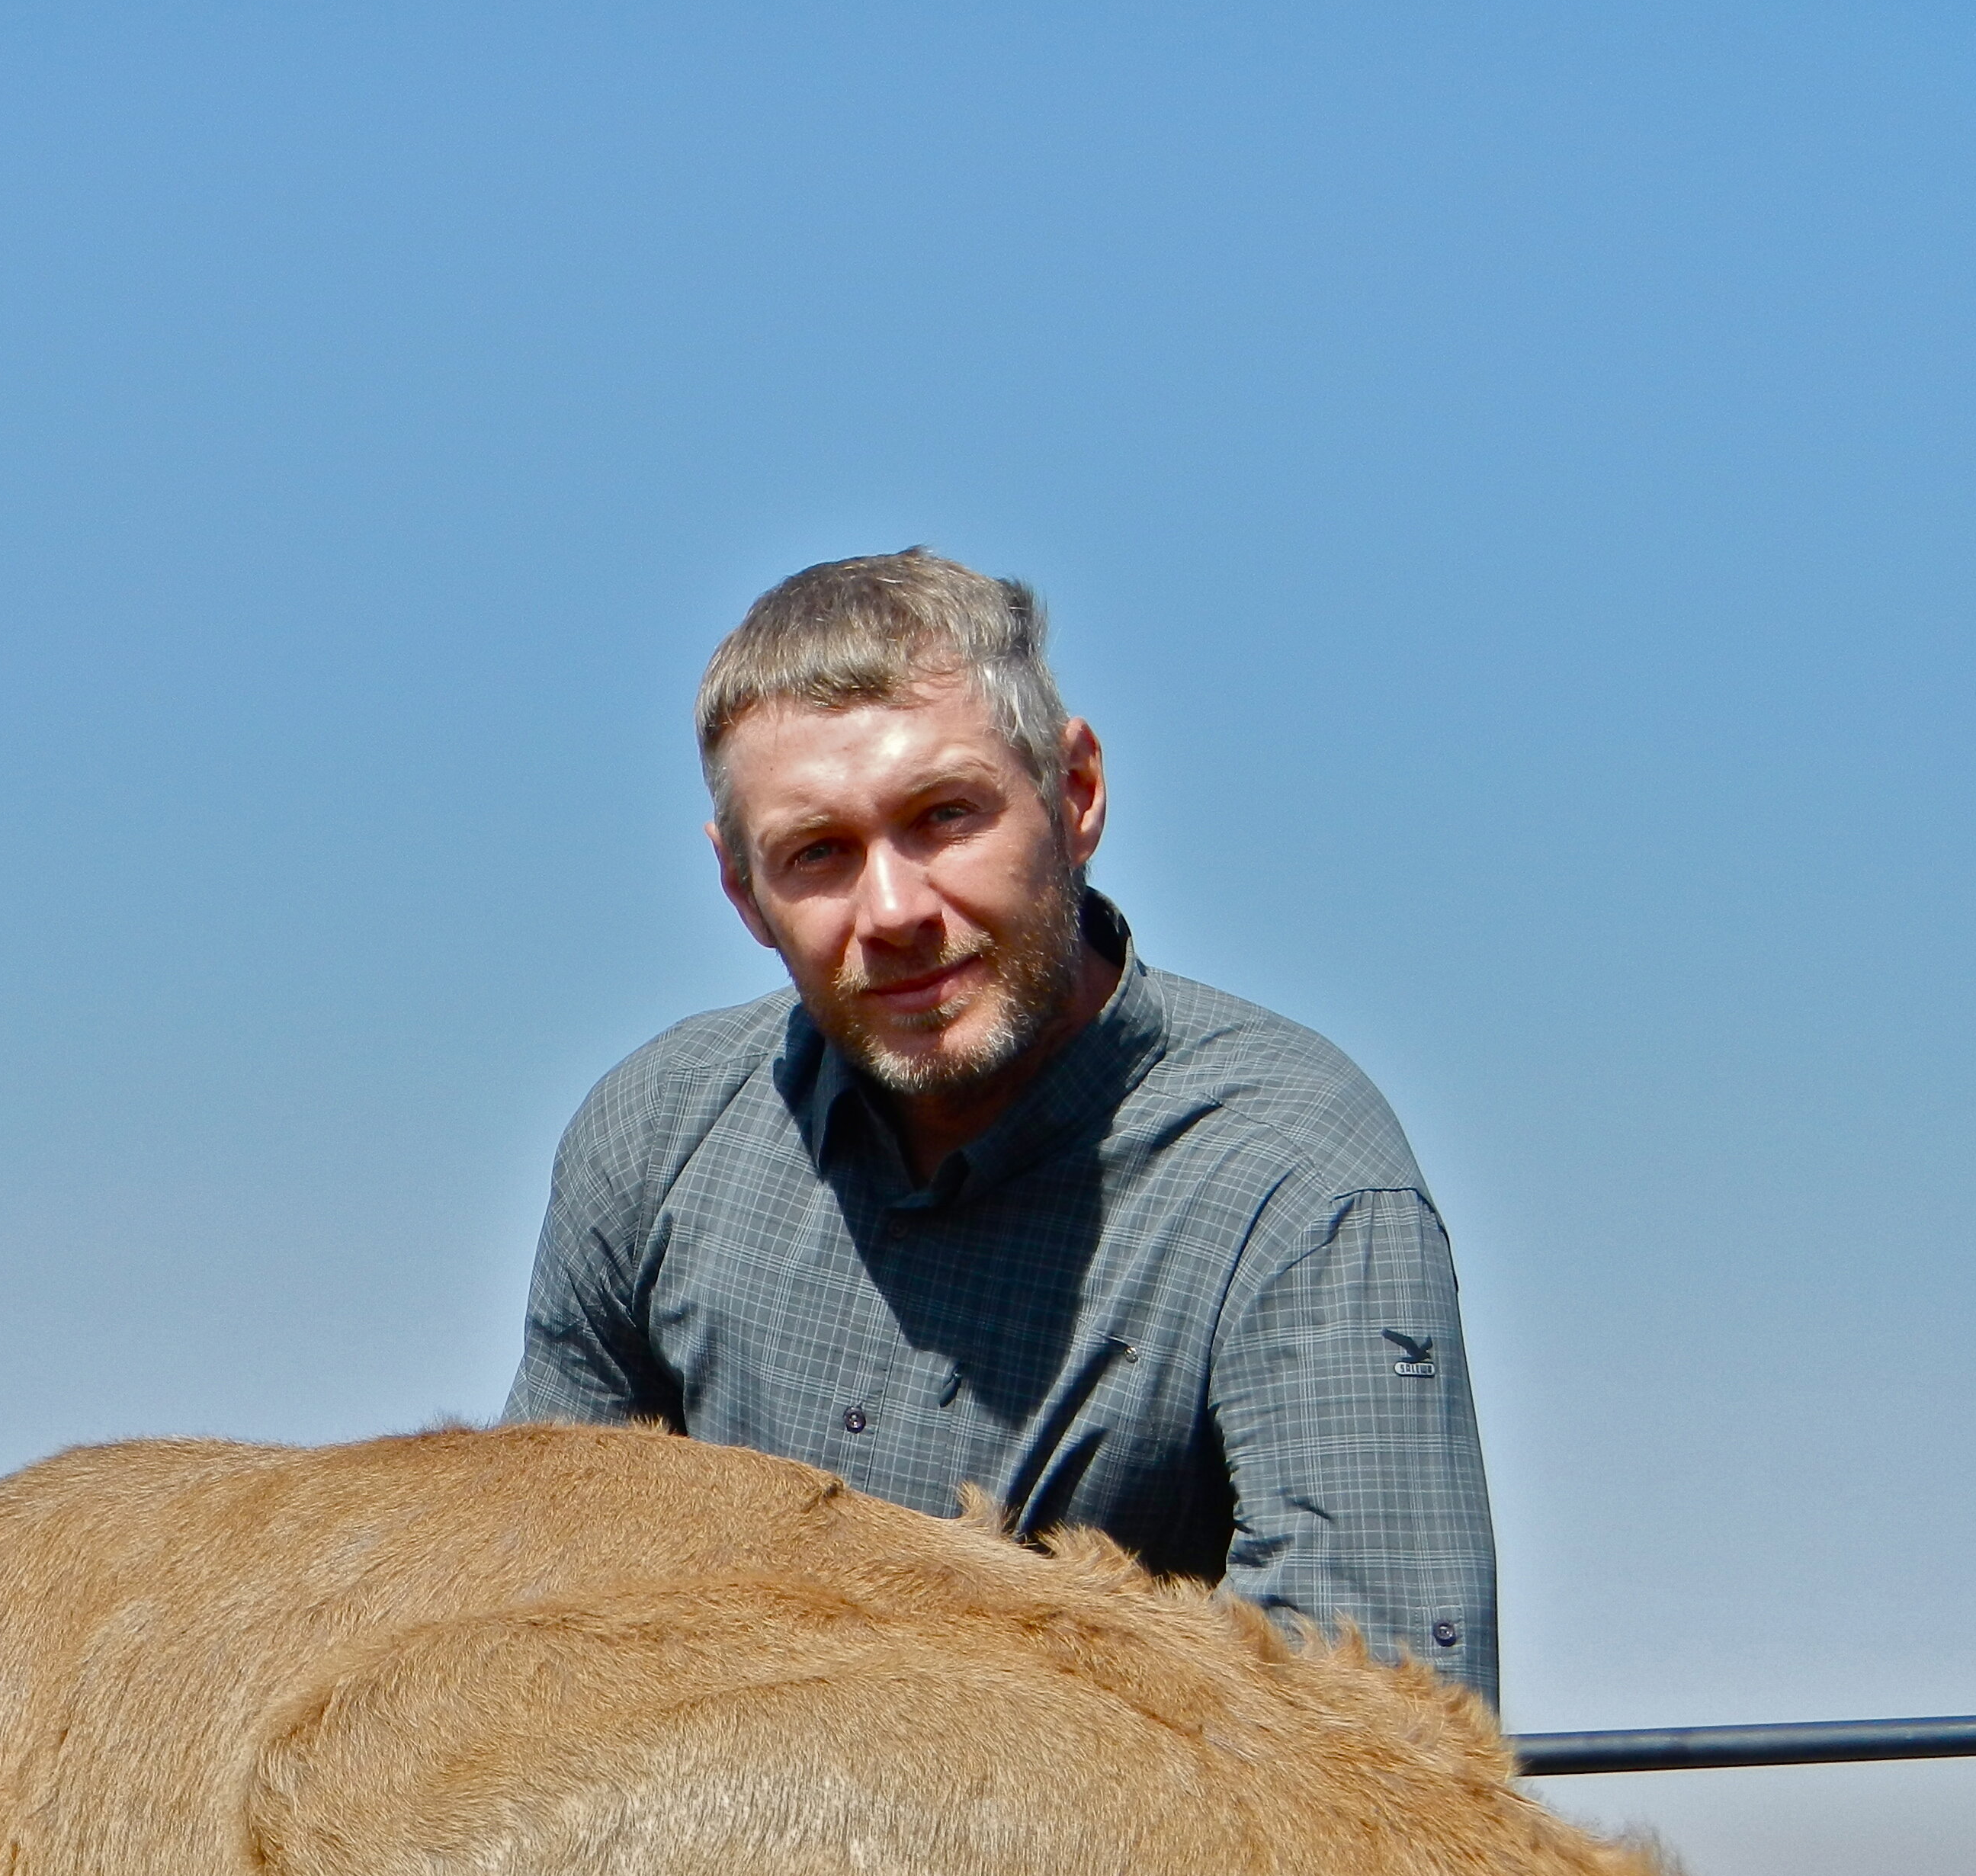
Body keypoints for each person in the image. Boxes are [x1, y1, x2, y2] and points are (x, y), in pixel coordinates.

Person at [504, 550, 1501, 1705]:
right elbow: (534, 1636)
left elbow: (1382, 1759)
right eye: (818, 853)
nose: (894, 913)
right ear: (743, 891)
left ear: (1074, 795)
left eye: (946, 817)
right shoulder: (656, 1138)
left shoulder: (1299, 1184)